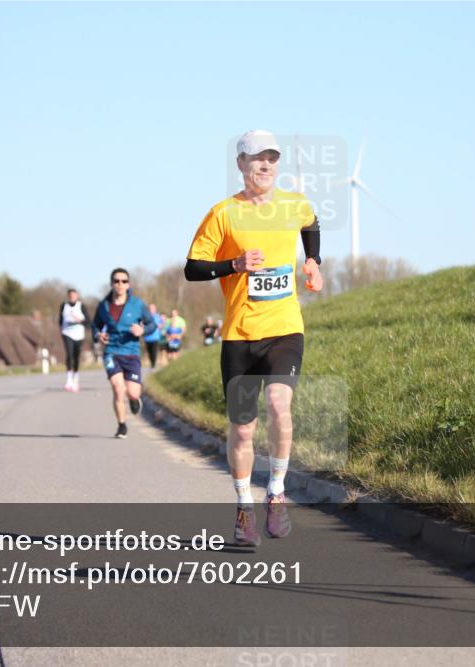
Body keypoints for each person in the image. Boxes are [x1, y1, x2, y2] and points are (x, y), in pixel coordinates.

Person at [184, 130, 323, 546]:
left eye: (272, 158)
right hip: (240, 336)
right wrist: (234, 264)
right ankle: (244, 508)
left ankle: (276, 492)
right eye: (256, 159)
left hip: (284, 328)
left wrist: (313, 261)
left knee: (281, 405)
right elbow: (193, 268)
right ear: (241, 165)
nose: (265, 165)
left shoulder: (293, 204)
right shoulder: (223, 214)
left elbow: (311, 223)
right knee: (243, 430)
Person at [91, 268, 156, 438]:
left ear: (129, 284)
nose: (120, 284)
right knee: (118, 389)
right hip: (112, 351)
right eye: (116, 281)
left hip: (132, 352)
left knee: (132, 392)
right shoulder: (104, 306)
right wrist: (98, 335)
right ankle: (121, 425)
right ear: (111, 284)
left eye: (124, 281)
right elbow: (95, 325)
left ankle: (134, 400)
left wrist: (142, 330)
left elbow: (152, 325)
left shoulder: (137, 304)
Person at [58, 288, 90, 392]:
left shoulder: (81, 306)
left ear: (77, 296)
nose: (72, 298)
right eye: (70, 296)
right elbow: (60, 320)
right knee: (69, 355)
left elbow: (89, 322)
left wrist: (80, 320)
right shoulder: (64, 306)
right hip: (67, 333)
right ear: (68, 297)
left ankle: (75, 378)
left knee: (76, 356)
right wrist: (61, 329)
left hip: (79, 335)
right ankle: (68, 380)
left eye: (74, 296)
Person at [143, 304, 165, 369]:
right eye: (150, 309)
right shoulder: (146, 316)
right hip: (147, 337)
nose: (151, 310)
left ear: (155, 309)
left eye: (152, 309)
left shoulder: (158, 316)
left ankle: (153, 364)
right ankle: (151, 362)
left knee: (154, 351)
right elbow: (142, 323)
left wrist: (160, 325)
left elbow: (163, 323)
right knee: (149, 351)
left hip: (155, 337)